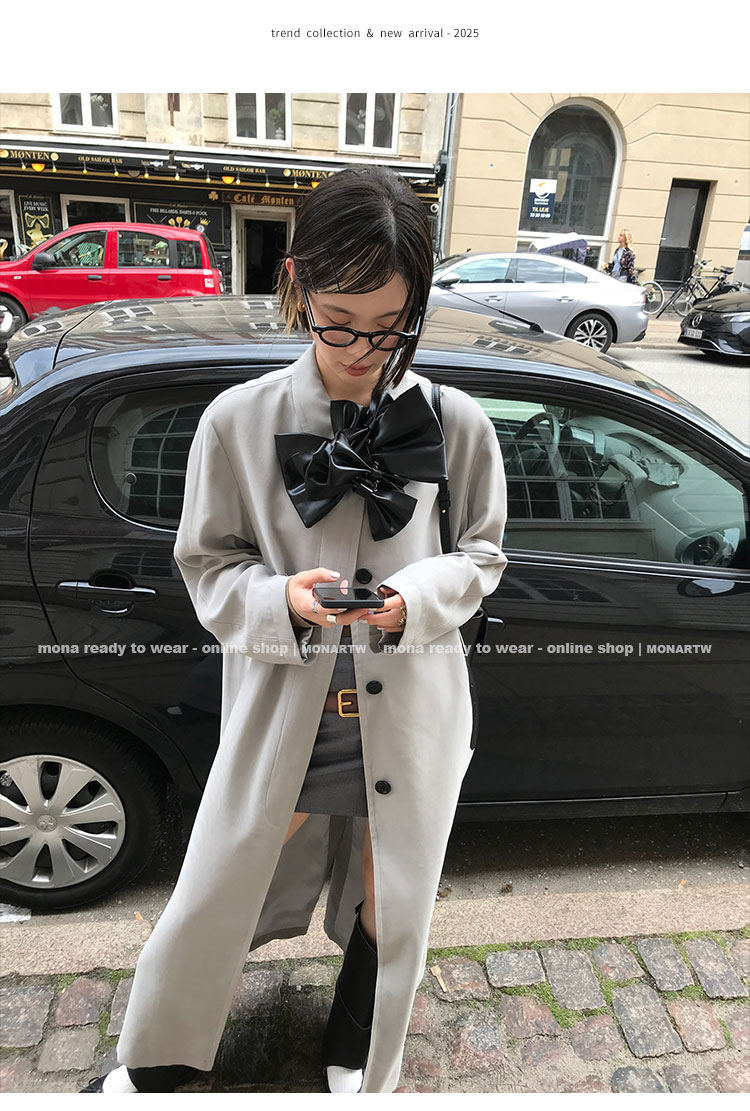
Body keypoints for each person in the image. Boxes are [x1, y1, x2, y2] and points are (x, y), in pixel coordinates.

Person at [80, 164, 508, 1096]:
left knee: (393, 885)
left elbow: (482, 555)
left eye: (389, 325)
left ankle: (358, 1044)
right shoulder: (237, 423)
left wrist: (414, 596)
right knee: (222, 879)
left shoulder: (458, 424)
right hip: (288, 710)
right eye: (337, 320)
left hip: (414, 708)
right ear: (297, 285)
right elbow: (206, 565)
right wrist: (284, 601)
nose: (362, 348)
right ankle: (154, 1055)